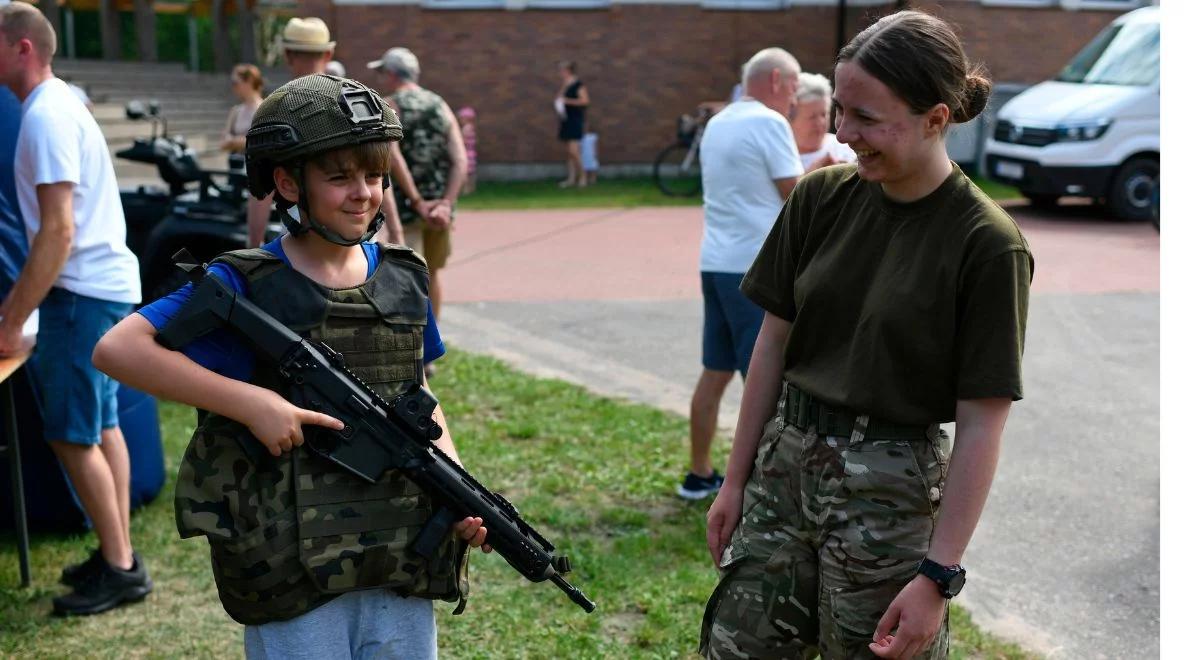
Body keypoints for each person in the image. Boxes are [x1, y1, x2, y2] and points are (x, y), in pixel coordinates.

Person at [92, 75, 491, 658]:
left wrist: (455, 482)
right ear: (286, 182)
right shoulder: (246, 284)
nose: (364, 193)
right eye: (339, 177)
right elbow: (118, 349)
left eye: (375, 176)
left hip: (397, 554)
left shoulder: (405, 276)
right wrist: (251, 402)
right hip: (291, 565)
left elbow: (420, 393)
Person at [700, 11, 1034, 659]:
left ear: (937, 118)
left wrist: (938, 576)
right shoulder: (819, 199)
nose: (845, 134)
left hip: (889, 495)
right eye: (840, 113)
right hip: (782, 473)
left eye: (868, 119)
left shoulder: (987, 245)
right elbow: (771, 346)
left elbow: (982, 423)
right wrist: (735, 479)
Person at [0, 2, 150, 616]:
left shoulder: (45, 117)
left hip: (81, 295)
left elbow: (56, 233)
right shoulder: (58, 105)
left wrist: (11, 318)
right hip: (99, 289)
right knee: (102, 423)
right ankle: (120, 557)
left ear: (21, 48)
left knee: (70, 434)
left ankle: (120, 570)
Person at [678, 47, 803, 501]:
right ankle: (766, 486)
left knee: (714, 372)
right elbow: (797, 195)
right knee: (764, 382)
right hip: (756, 270)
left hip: (715, 263)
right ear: (774, 80)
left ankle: (699, 473)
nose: (793, 98)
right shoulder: (769, 123)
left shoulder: (720, 122)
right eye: (791, 87)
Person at [245, 18, 425, 249]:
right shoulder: (360, 103)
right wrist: (397, 232)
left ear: (288, 55)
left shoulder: (276, 111)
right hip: (362, 235)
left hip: (301, 243)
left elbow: (262, 186)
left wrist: (253, 247)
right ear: (329, 54)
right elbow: (380, 170)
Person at [369, 46, 468, 321]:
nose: (380, 80)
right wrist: (446, 203)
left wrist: (416, 200)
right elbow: (460, 160)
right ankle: (431, 355)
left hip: (407, 208)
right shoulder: (440, 105)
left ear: (391, 74)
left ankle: (413, 351)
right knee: (432, 274)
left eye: (381, 74)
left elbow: (392, 155)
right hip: (440, 211)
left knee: (408, 277)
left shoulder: (389, 105)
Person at [790, 71, 857, 172]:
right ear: (790, 119)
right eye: (812, 117)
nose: (820, 122)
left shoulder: (846, 148)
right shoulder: (782, 156)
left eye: (824, 114)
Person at [219, 64, 264, 171]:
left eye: (236, 83)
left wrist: (233, 142)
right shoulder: (236, 111)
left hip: (255, 168)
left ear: (249, 80)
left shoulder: (263, 108)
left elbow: (261, 141)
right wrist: (241, 141)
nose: (233, 87)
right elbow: (222, 143)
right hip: (236, 166)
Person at [555, 60, 589, 188]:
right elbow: (559, 97)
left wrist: (567, 101)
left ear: (568, 71)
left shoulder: (578, 84)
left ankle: (583, 176)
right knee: (569, 152)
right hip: (566, 119)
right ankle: (571, 178)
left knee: (574, 151)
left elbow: (585, 101)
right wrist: (564, 88)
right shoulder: (567, 84)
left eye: (562, 71)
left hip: (575, 119)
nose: (560, 73)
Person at [457, 106, 477, 195]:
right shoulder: (471, 127)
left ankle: (466, 189)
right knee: (470, 173)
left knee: (465, 172)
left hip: (466, 153)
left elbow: (461, 140)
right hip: (470, 153)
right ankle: (469, 189)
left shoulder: (466, 128)